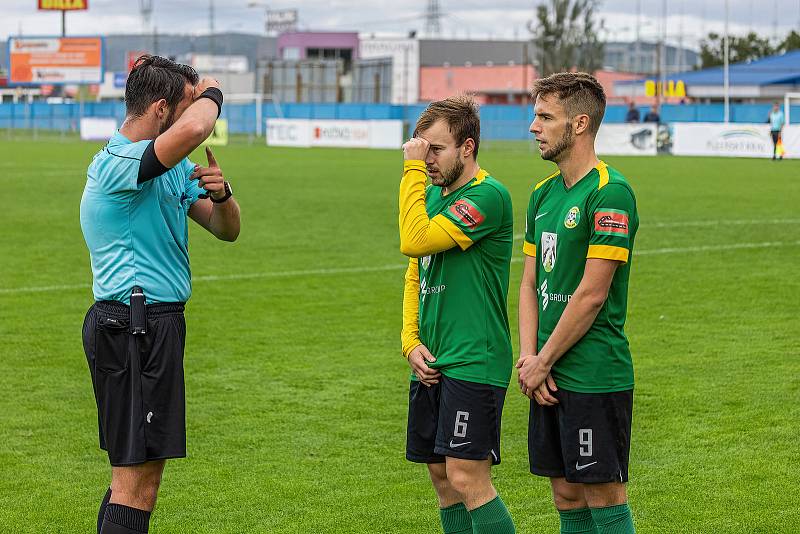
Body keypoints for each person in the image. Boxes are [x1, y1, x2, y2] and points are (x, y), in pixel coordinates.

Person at [80, 55, 240, 534]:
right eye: (185, 107)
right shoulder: (118, 162)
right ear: (159, 109)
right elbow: (194, 130)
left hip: (155, 324)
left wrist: (222, 194)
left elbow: (226, 230)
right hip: (132, 325)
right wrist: (212, 91)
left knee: (136, 479)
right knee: (136, 484)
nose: (195, 117)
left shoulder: (170, 168)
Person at [518, 72, 639, 534]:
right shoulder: (542, 194)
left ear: (581, 123)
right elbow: (529, 283)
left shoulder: (609, 192)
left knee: (603, 493)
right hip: (544, 372)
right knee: (566, 493)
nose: (534, 127)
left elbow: (592, 294)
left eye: (546, 117)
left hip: (592, 372)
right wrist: (530, 358)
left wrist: (544, 360)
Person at [398, 95, 516, 534]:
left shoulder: (488, 195)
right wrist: (410, 341)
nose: (426, 158)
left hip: (474, 359)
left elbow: (414, 239)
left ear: (467, 147)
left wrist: (410, 170)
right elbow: (415, 273)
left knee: (467, 477)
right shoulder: (430, 194)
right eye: (420, 147)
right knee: (442, 478)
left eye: (436, 149)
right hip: (432, 360)